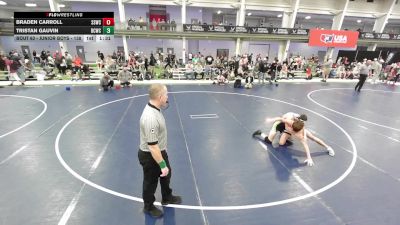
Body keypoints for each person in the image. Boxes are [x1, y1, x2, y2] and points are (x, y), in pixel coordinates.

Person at [138, 84, 181, 218]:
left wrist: (163, 148)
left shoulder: (156, 108)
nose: (167, 97)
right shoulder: (150, 117)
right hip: (150, 155)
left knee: (166, 175)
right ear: (160, 97)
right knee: (150, 182)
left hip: (159, 150)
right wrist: (162, 164)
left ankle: (167, 197)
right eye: (166, 94)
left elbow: (157, 138)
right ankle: (149, 206)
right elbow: (152, 146)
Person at [253, 113, 334, 166]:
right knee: (269, 142)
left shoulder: (300, 130)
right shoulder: (290, 121)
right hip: (279, 126)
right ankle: (260, 133)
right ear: (293, 124)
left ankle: (328, 147)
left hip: (287, 130)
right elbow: (280, 119)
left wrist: (309, 158)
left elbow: (305, 145)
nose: (294, 132)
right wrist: (271, 120)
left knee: (311, 137)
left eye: (296, 132)